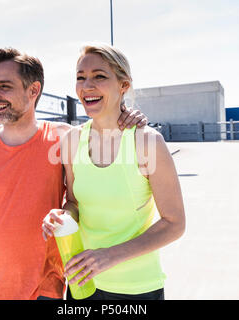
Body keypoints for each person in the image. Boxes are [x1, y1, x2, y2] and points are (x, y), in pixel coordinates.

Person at [0, 47, 147, 300]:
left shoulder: (65, 138)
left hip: (45, 291)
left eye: (4, 86)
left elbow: (78, 200)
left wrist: (128, 114)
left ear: (33, 90)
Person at [42, 43, 186, 300]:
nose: (87, 86)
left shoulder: (147, 142)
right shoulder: (72, 141)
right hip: (82, 285)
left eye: (99, 76)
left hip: (137, 289)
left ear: (124, 86)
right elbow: (74, 202)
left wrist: (108, 256)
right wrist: (62, 216)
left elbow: (174, 224)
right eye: (80, 78)